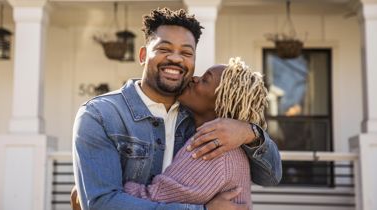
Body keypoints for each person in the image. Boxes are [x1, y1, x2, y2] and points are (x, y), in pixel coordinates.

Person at [72, 8, 281, 210]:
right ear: (143, 55)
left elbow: (271, 177)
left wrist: (249, 133)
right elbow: (101, 204)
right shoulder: (100, 115)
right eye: (164, 49)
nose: (176, 58)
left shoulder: (211, 130)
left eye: (186, 52)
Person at [124, 57, 268, 210]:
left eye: (205, 80)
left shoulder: (213, 151)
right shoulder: (219, 143)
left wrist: (112, 182)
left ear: (220, 102)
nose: (194, 78)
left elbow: (149, 198)